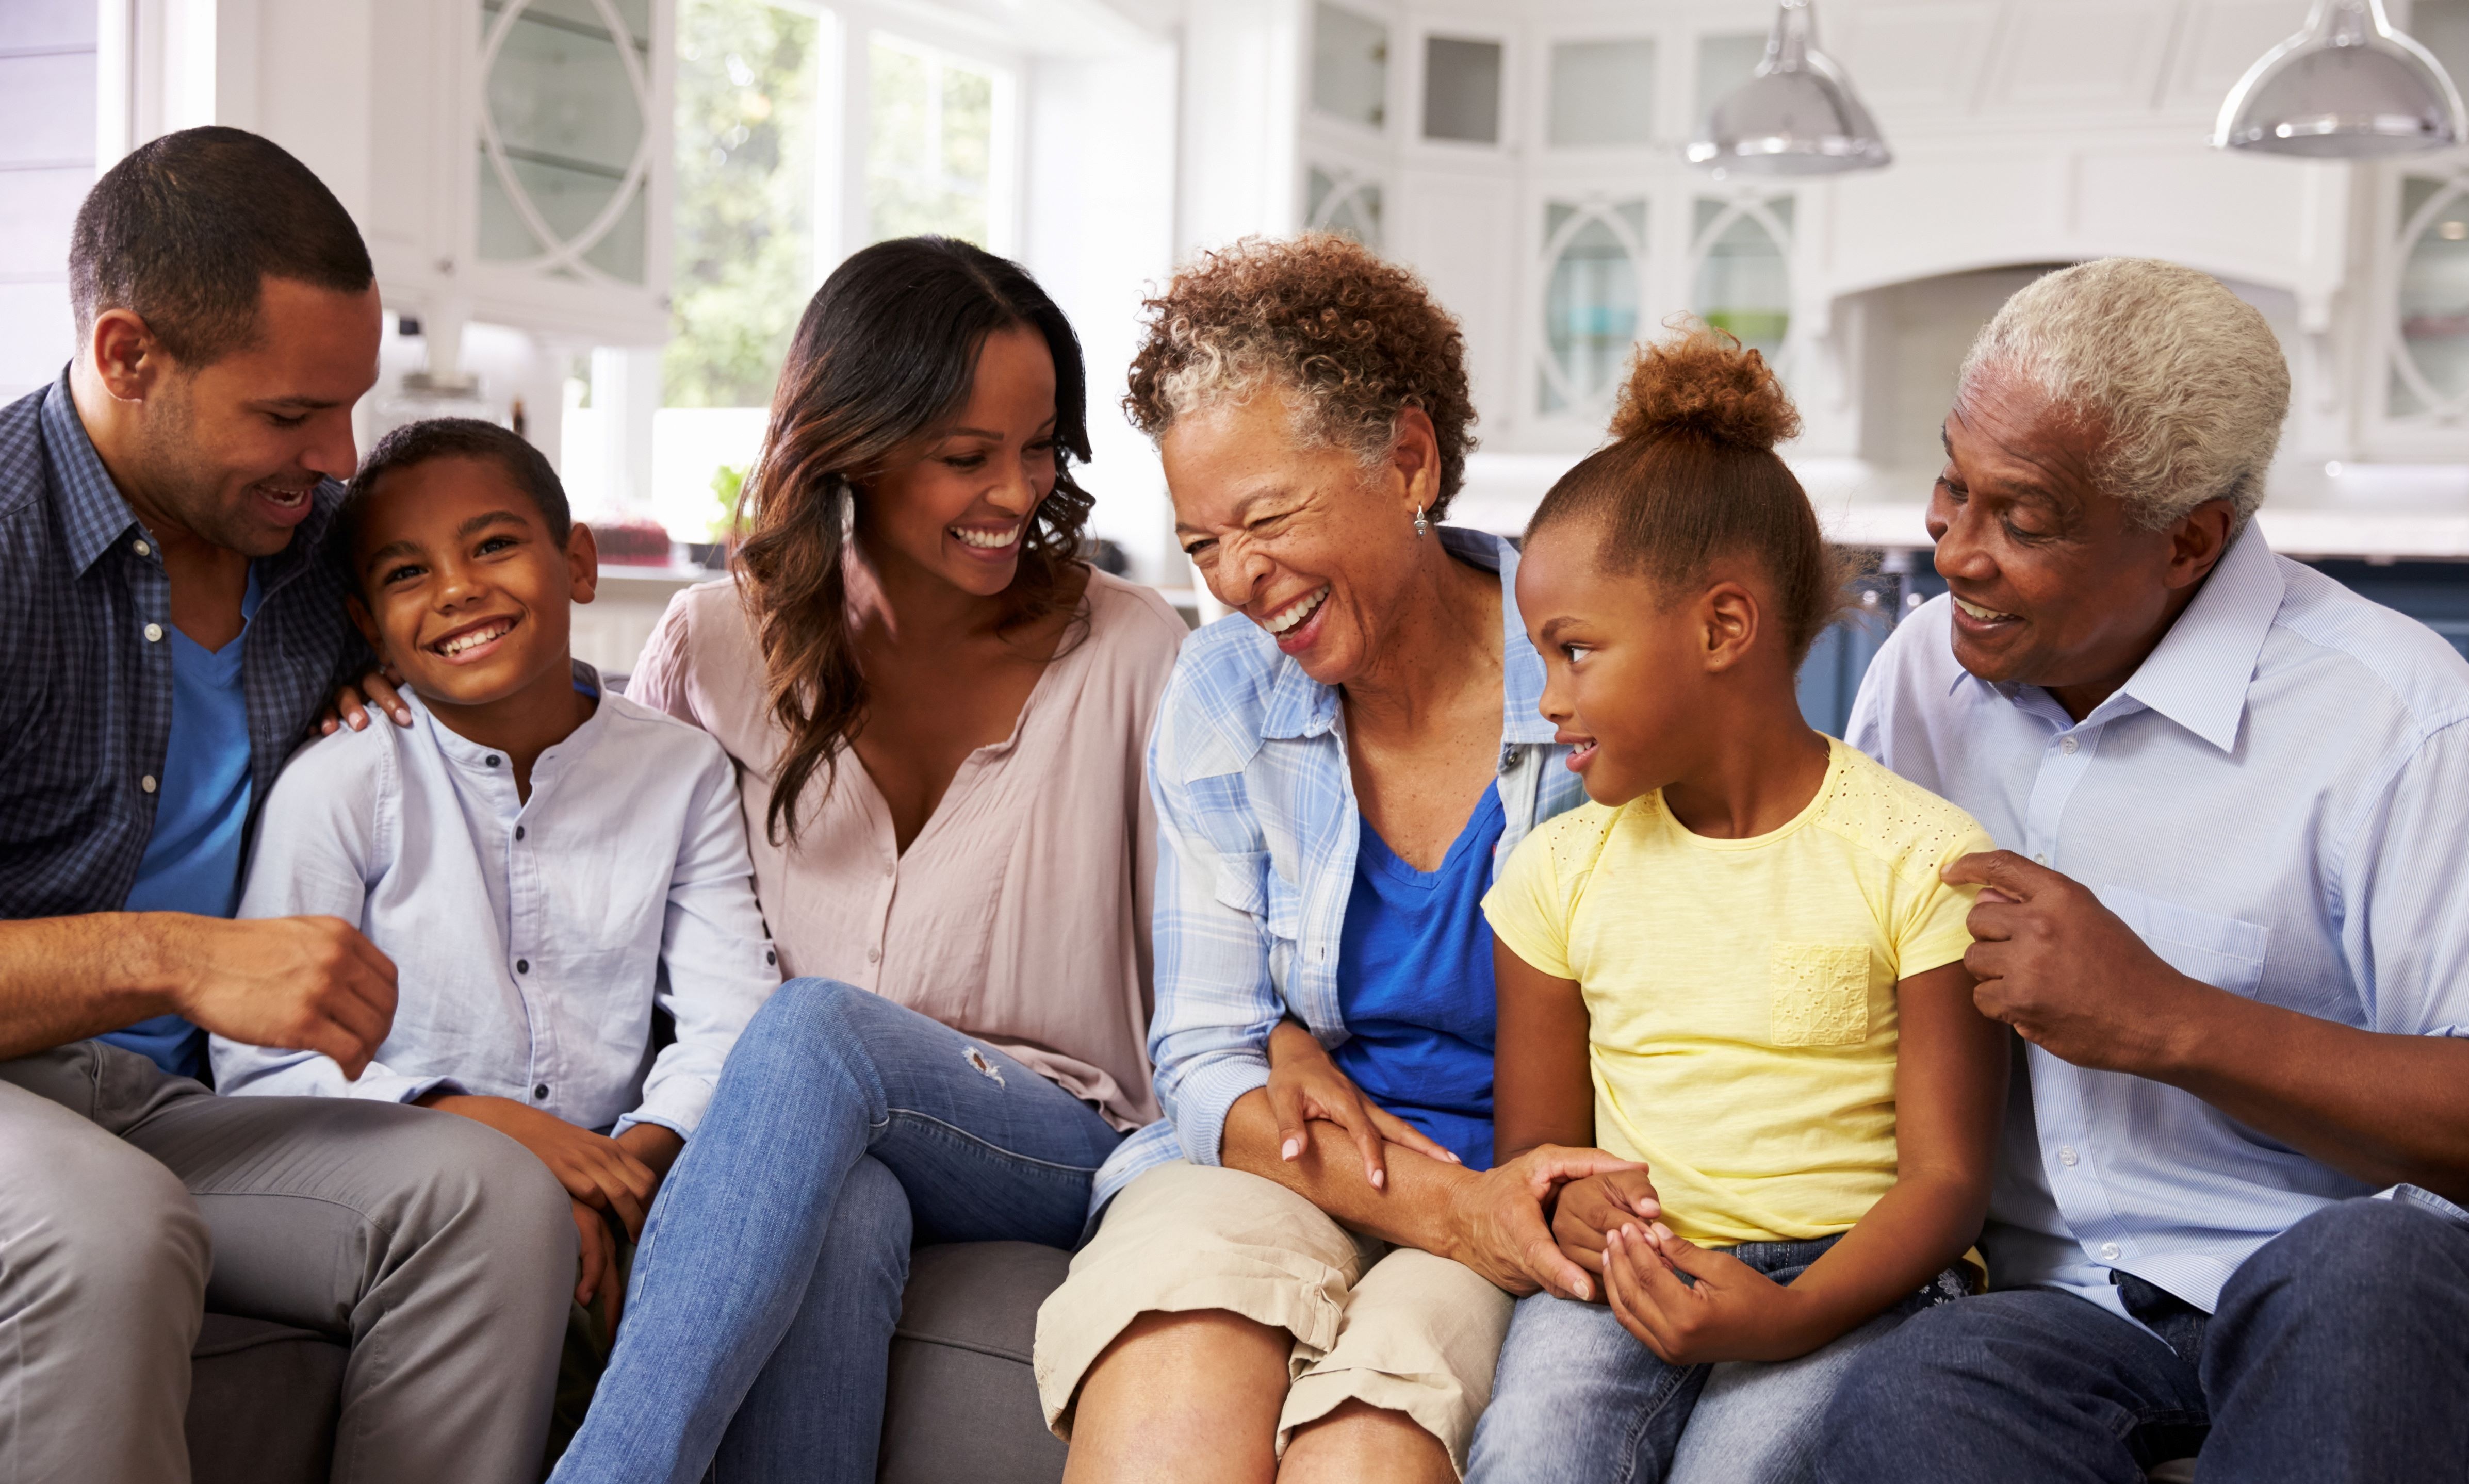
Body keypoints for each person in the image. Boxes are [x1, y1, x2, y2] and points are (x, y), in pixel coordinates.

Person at [1810, 257, 2469, 1482]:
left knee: (2365, 1276)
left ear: (2191, 544)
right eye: (1953, 483)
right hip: (2050, 1311)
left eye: (2024, 518)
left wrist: (2164, 1019)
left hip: (2326, 1283)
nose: (1957, 551)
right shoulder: (1919, 676)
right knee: (1915, 1394)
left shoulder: (2399, 720)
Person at [548, 236, 1187, 1483]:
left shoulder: (1135, 653)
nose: (1016, 488)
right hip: (800, 1141)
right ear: (854, 443)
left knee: (812, 1032)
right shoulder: (719, 639)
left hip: (1054, 1134)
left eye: (1040, 445)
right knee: (842, 1212)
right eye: (966, 457)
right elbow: (607, 891)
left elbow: (1202, 978)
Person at [0, 127, 571, 1484]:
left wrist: (428, 656)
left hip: (164, 1097)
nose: (336, 455)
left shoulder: (322, 552)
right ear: (130, 354)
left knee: (490, 1200)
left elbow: (516, 656)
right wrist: (178, 954)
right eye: (289, 414)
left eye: (349, 404)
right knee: (105, 1230)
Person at [1033, 234, 1637, 1484]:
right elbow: (1206, 1049)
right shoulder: (1225, 689)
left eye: (1266, 517)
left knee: (1370, 1438)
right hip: (1280, 1164)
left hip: (1512, 1191)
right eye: (1202, 544)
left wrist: (1475, 1215)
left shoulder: (1600, 672)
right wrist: (1288, 1056)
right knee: (1176, 1344)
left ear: (1408, 460)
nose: (1239, 581)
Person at [1462, 330, 2006, 1484]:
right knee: (1530, 1456)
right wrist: (1576, 1214)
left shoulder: (1922, 856)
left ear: (1722, 627)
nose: (1548, 700)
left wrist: (1787, 1313)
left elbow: (1949, 1183)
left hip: (1859, 1281)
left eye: (1574, 652)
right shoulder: (1554, 876)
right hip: (1635, 1271)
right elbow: (1541, 1157)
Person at [210, 418, 779, 1334]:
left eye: (495, 546)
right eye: (407, 573)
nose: (459, 589)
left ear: (579, 564)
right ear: (370, 628)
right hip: (399, 1159)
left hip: (625, 1157)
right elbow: (267, 1062)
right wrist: (494, 1134)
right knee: (524, 1251)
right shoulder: (342, 781)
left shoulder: (683, 772)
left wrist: (614, 1175)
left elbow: (733, 1019)